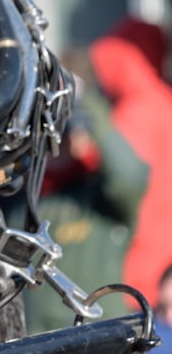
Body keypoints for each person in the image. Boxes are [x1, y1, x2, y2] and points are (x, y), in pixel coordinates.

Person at [18, 55, 148, 334]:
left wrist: (86, 103)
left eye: (68, 127)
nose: (61, 139)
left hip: (98, 342)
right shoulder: (21, 197)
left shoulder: (101, 197)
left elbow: (130, 176)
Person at [91, 16, 172, 307]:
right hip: (161, 261)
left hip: (138, 268)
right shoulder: (163, 102)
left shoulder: (139, 109)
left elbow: (122, 175)